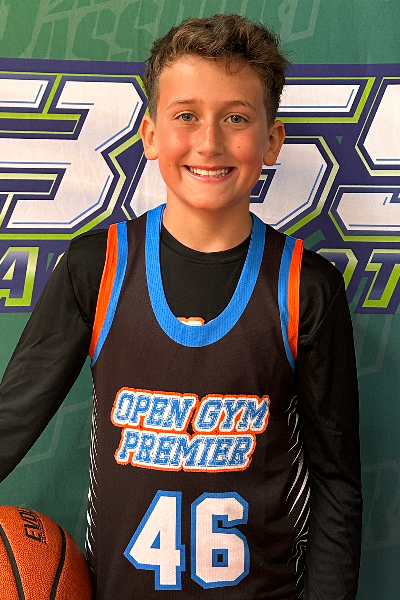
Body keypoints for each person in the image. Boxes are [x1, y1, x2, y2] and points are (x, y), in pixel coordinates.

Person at [0, 13, 361, 600]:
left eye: (236, 118)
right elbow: (11, 418)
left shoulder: (306, 285)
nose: (209, 142)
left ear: (271, 141)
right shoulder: (98, 267)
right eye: (186, 115)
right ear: (150, 135)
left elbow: (336, 483)